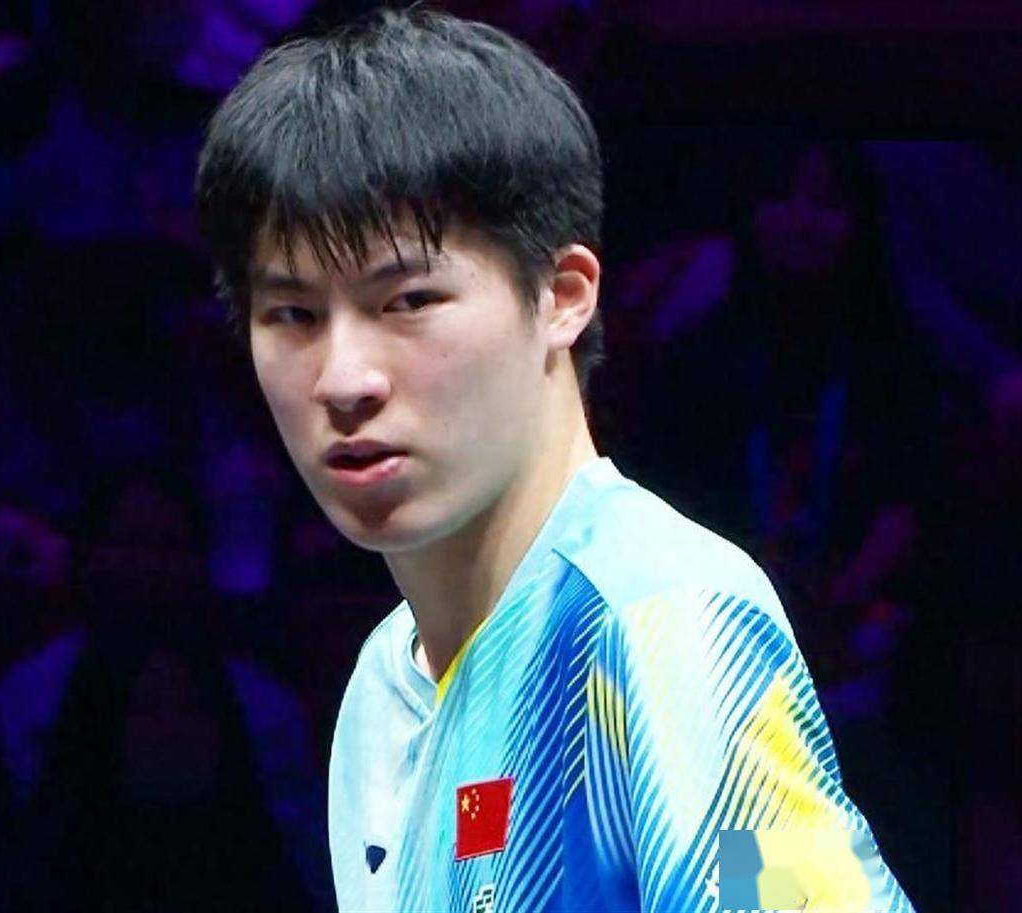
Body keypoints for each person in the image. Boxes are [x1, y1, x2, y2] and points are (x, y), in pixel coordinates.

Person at [195, 7, 915, 912]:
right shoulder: (384, 684)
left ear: (563, 295)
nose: (344, 379)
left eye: (408, 300)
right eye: (293, 315)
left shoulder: (658, 620)